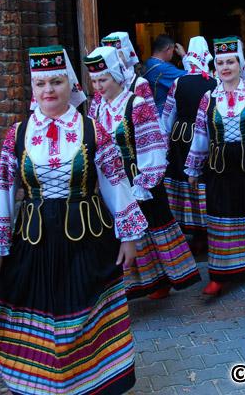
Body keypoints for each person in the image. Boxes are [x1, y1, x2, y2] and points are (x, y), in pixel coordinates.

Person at [0, 45, 147, 395]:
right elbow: (4, 187)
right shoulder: (18, 133)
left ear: (69, 84)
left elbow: (115, 181)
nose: (48, 90)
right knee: (37, 306)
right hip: (34, 239)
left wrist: (129, 236)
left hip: (88, 239)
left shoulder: (93, 130)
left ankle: (92, 383)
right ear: (33, 87)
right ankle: (44, 385)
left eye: (56, 82)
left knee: (86, 309)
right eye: (41, 83)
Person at [84, 46, 200, 299]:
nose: (98, 86)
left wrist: (145, 181)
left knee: (152, 227)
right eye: (94, 81)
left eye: (103, 79)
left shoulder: (136, 104)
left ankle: (164, 279)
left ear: (116, 76)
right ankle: (141, 283)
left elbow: (153, 143)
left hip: (137, 176)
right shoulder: (97, 107)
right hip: (112, 180)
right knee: (123, 232)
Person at [185, 36, 245, 296]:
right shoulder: (208, 97)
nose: (225, 67)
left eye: (231, 62)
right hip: (220, 168)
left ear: (240, 64)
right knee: (221, 216)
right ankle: (220, 274)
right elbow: (201, 134)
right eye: (221, 62)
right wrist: (193, 168)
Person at [160, 36, 217, 244]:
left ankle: (189, 227)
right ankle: (207, 227)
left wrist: (165, 142)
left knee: (184, 179)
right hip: (206, 137)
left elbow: (168, 115)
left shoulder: (179, 82)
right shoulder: (215, 82)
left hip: (181, 136)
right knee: (203, 180)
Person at [88, 31, 158, 119]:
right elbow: (92, 117)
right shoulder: (102, 86)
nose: (116, 61)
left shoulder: (139, 84)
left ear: (127, 55)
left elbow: (152, 115)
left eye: (118, 56)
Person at [142, 34, 187, 113]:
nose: (173, 54)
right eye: (172, 51)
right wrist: (184, 55)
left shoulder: (148, 62)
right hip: (161, 112)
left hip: (150, 108)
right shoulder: (162, 68)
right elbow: (192, 76)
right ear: (167, 48)